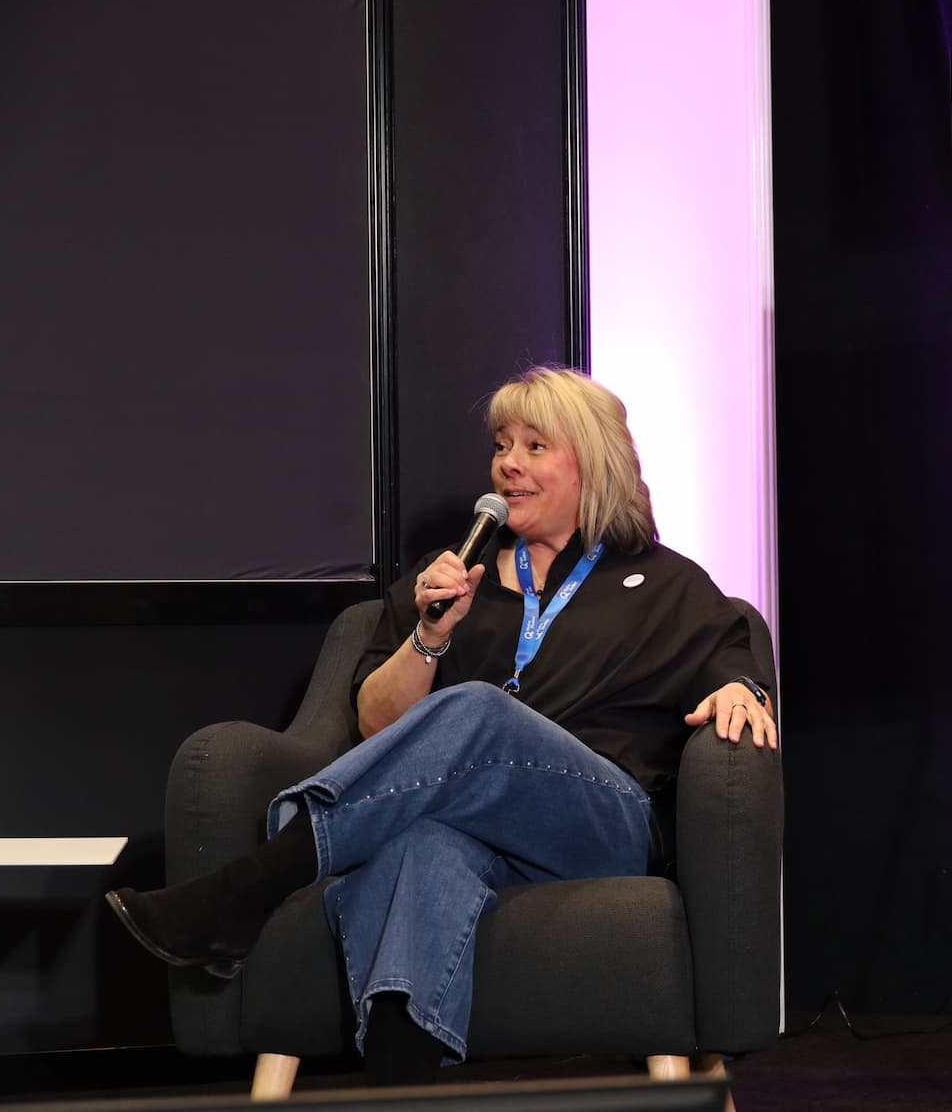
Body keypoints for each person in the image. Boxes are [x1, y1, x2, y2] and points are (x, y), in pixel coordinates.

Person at [105, 368, 777, 1084]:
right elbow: (376, 723)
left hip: (600, 825)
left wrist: (740, 689)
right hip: (475, 830)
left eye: (535, 446)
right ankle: (402, 1079)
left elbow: (733, 665)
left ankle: (258, 880)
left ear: (594, 462)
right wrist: (430, 635)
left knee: (481, 709)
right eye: (502, 445)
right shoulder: (452, 579)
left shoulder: (666, 582)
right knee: (418, 850)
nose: (508, 464)